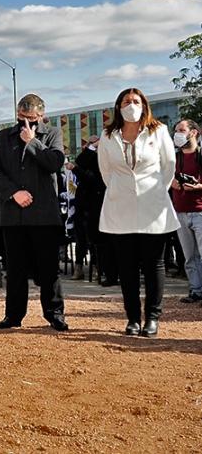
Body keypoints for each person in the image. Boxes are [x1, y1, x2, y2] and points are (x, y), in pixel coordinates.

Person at [98, 88, 179, 337]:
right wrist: (120, 189)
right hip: (120, 207)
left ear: (144, 105)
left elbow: (169, 166)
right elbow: (106, 170)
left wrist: (153, 191)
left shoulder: (159, 130)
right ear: (118, 106)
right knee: (127, 267)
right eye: (126, 101)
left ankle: (152, 318)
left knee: (154, 264)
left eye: (135, 101)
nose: (131, 105)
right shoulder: (108, 135)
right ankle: (133, 318)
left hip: (152, 205)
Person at [0, 94, 69, 332]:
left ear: (41, 116)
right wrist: (14, 193)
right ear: (16, 114)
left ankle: (54, 313)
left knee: (48, 269)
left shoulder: (52, 134)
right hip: (13, 214)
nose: (26, 124)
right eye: (22, 118)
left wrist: (33, 142)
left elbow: (55, 163)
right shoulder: (4, 137)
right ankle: (13, 315)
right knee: (15, 269)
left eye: (32, 120)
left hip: (44, 214)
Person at [72, 136, 114, 285]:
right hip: (82, 205)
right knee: (80, 238)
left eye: (95, 143)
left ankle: (98, 268)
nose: (92, 145)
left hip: (97, 204)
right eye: (89, 143)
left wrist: (76, 169)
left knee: (96, 239)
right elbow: (80, 162)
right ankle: (79, 268)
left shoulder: (102, 159)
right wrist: (90, 148)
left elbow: (92, 179)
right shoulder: (86, 157)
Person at [171, 119, 202, 304]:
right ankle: (195, 290)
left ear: (194, 132)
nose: (178, 134)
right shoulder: (174, 158)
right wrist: (171, 182)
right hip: (180, 211)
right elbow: (163, 177)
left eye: (181, 130)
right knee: (189, 255)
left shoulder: (200, 155)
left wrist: (197, 186)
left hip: (199, 210)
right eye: (176, 130)